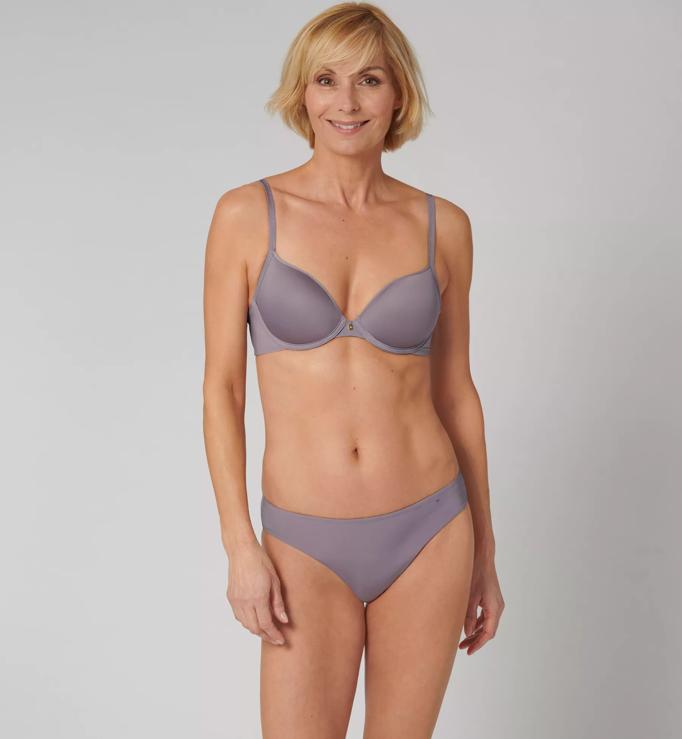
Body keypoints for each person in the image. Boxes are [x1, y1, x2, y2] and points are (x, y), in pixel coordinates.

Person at [202, 3, 504, 737]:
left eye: (369, 79)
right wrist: (239, 545)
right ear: (302, 94)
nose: (347, 101)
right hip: (303, 539)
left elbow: (457, 394)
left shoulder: (443, 226)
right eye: (326, 79)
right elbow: (222, 390)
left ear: (397, 95)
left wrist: (486, 555)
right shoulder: (246, 215)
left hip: (431, 528)